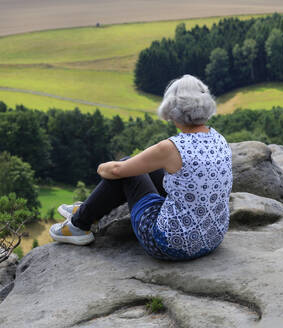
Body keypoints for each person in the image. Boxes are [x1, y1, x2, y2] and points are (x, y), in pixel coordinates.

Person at [50, 75, 232, 260]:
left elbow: (116, 171)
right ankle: (88, 211)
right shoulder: (219, 139)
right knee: (147, 167)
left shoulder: (170, 148)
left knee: (126, 169)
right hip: (212, 237)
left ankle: (78, 224)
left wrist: (102, 168)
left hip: (170, 244)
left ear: (172, 110)